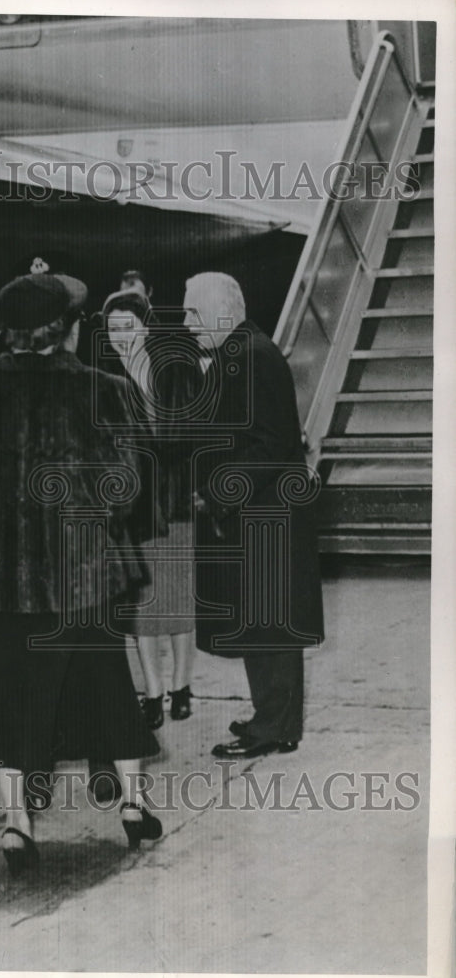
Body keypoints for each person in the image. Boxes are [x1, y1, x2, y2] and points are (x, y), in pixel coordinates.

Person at [0, 272, 162, 875]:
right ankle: (134, 808)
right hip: (82, 583)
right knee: (108, 689)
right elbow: (125, 487)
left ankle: (15, 826)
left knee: (7, 703)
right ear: (66, 329)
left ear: (8, 331)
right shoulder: (101, 390)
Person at [183, 272, 324, 758]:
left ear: (223, 311)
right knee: (262, 623)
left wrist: (217, 492)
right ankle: (271, 716)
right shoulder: (240, 352)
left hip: (266, 515)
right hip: (259, 512)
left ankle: (276, 726)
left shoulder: (249, 356)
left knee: (270, 625)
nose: (185, 323)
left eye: (191, 313)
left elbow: (270, 442)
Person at [100, 289, 197, 728]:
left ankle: (181, 687)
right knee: (141, 610)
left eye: (129, 327)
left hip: (172, 503)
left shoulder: (171, 367)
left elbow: (184, 433)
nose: (121, 336)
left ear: (146, 325)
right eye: (113, 328)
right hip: (134, 508)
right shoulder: (104, 375)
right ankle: (153, 693)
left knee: (178, 603)